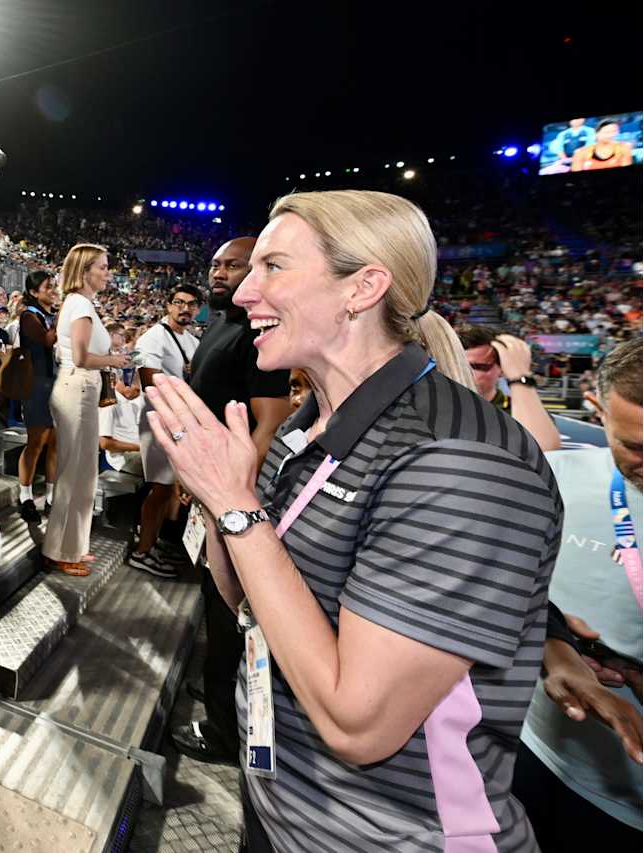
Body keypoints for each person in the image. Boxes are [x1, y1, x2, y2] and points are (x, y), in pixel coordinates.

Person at [145, 190, 561, 851]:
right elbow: (253, 604)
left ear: (363, 287)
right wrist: (213, 493)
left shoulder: (461, 459)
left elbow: (358, 722)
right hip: (283, 813)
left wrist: (237, 506)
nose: (245, 292)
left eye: (273, 267)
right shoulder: (306, 430)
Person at [513, 337, 643, 852]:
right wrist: (558, 649)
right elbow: (514, 594)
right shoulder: (554, 481)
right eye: (634, 446)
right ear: (597, 410)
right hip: (538, 757)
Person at [172, 237, 292, 765]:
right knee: (212, 608)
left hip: (231, 497)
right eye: (216, 264)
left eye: (233, 265)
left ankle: (224, 732)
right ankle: (218, 695)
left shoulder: (259, 334)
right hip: (208, 486)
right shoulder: (219, 324)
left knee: (228, 616)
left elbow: (268, 423)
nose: (219, 273)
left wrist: (233, 497)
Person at [43, 243, 131, 576]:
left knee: (83, 473)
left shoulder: (82, 304)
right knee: (74, 473)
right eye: (103, 267)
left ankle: (73, 546)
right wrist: (115, 360)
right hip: (78, 386)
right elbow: (80, 357)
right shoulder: (79, 304)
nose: (108, 273)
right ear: (85, 271)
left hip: (81, 387)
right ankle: (60, 550)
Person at [127, 284, 202, 580]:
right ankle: (141, 552)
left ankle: (151, 543)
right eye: (179, 302)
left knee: (167, 487)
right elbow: (150, 383)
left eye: (191, 304)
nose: (185, 308)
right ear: (168, 305)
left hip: (179, 421)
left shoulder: (191, 340)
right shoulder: (154, 337)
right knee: (159, 487)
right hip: (160, 420)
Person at [458, 325, 561, 450]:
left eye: (477, 367)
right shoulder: (435, 404)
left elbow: (544, 450)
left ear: (502, 369)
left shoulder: (517, 411)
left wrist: (519, 375)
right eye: (456, 364)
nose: (462, 372)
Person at [16, 269, 60, 523]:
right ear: (34, 292)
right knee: (36, 442)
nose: (53, 291)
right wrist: (63, 316)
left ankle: (52, 497)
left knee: (56, 442)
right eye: (48, 287)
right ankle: (25, 497)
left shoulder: (48, 315)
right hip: (37, 385)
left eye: (54, 286)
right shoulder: (29, 317)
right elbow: (47, 340)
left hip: (56, 382)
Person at [99, 322, 144, 477]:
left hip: (135, 451)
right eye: (130, 383)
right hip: (125, 457)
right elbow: (104, 443)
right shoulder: (109, 402)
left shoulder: (132, 403)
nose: (136, 390)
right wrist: (140, 447)